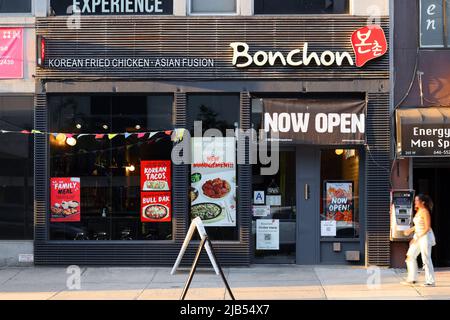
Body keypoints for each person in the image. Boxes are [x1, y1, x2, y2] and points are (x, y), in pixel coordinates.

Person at [401, 194, 436, 287]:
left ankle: (430, 281)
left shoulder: (425, 212)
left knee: (426, 259)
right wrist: (410, 231)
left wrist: (417, 238)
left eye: (417, 200)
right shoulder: (418, 211)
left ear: (422, 202)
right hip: (419, 236)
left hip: (425, 237)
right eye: (415, 200)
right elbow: (417, 225)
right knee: (410, 256)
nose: (415, 202)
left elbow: (427, 227)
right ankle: (412, 278)